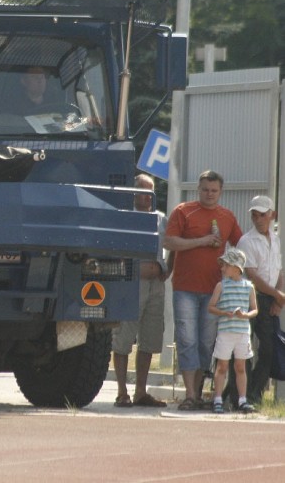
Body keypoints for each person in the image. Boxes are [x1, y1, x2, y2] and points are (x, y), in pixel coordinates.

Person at [164, 170, 242, 410]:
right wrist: (202, 241)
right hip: (185, 288)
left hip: (213, 290)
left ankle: (196, 394)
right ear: (198, 189)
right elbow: (169, 242)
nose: (209, 194)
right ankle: (189, 394)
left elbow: (241, 247)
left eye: (214, 191)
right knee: (187, 339)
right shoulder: (183, 211)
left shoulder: (227, 216)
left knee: (207, 343)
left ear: (221, 192)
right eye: (206, 189)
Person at [111, 174, 168, 408]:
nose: (148, 196)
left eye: (152, 191)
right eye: (143, 191)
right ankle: (122, 392)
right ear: (133, 192)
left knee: (150, 338)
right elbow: (114, 248)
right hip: (131, 283)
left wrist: (168, 269)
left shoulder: (161, 219)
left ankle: (141, 393)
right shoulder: (124, 217)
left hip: (157, 286)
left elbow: (171, 245)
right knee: (124, 338)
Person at [236, 195, 284, 404]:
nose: (258, 219)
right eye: (255, 215)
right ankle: (241, 395)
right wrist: (278, 296)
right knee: (245, 348)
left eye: (262, 215)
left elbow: (279, 271)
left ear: (272, 215)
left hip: (271, 297)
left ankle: (252, 394)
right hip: (252, 297)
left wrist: (278, 298)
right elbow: (252, 275)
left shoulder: (275, 238)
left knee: (269, 348)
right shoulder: (246, 240)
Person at [208, 248, 258, 414]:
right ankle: (217, 399)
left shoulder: (249, 286)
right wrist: (224, 313)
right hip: (225, 332)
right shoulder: (220, 286)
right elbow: (211, 307)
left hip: (242, 332)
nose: (222, 268)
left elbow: (254, 309)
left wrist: (244, 315)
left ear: (236, 267)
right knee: (222, 366)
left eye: (226, 265)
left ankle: (242, 400)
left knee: (240, 366)